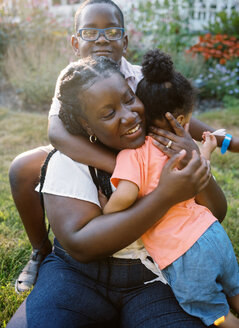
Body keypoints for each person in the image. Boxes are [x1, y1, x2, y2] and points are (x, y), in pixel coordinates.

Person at [9, 0, 239, 293]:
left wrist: (227, 141)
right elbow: (58, 136)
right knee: (22, 169)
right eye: (90, 32)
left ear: (125, 40)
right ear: (75, 43)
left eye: (112, 31)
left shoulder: (142, 77)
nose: (102, 39)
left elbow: (174, 118)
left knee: (176, 165)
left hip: (139, 147)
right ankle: (40, 250)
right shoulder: (70, 79)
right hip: (88, 147)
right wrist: (117, 164)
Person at [7, 55, 225, 328]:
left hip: (156, 277)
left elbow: (216, 213)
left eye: (128, 98)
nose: (129, 115)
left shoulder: (162, 144)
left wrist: (197, 165)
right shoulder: (69, 161)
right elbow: (81, 244)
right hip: (77, 276)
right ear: (87, 125)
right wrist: (164, 196)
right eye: (108, 113)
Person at [102, 49, 239, 327]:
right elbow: (200, 171)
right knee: (235, 291)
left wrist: (106, 209)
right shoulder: (183, 147)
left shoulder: (134, 154)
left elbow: (127, 194)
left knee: (219, 315)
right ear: (182, 119)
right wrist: (208, 149)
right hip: (213, 234)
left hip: (185, 254)